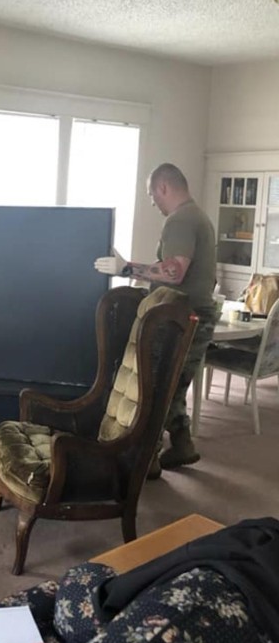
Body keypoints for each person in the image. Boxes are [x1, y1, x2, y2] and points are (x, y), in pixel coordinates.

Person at [94, 163, 217, 477]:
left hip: (180, 318)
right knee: (173, 386)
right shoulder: (197, 216)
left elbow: (174, 272)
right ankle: (182, 444)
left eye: (152, 196)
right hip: (194, 316)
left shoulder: (180, 220)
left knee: (157, 387)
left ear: (163, 187)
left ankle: (144, 460)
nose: (153, 203)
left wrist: (127, 268)